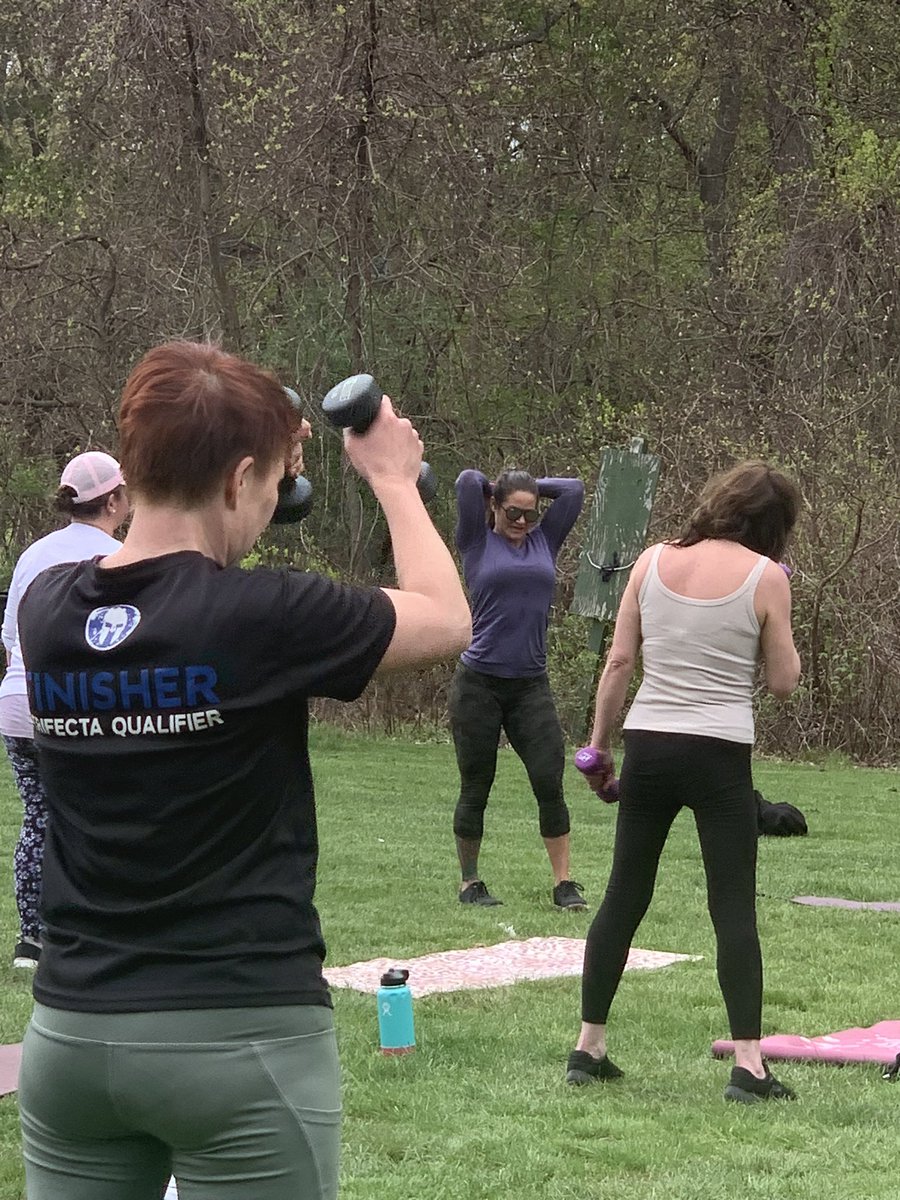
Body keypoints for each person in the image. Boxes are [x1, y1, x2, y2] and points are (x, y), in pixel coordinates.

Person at [15, 341, 471, 1200]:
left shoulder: (50, 611)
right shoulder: (264, 616)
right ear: (238, 480)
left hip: (73, 1038)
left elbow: (158, 590)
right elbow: (446, 619)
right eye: (268, 490)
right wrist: (393, 481)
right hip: (239, 1040)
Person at [565, 461, 802, 1103]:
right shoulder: (766, 578)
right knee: (731, 902)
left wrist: (597, 748)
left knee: (624, 892)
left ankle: (589, 1048)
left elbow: (618, 662)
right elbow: (783, 681)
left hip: (649, 743)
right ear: (774, 526)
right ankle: (748, 1066)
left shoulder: (650, 562)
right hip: (720, 751)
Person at [0, 451, 128, 969]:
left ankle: (32, 937)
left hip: (15, 702)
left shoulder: (35, 553)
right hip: (76, 704)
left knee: (40, 817)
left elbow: (10, 637)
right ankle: (92, 927)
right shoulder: (116, 554)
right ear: (116, 500)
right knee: (94, 816)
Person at [450, 467, 586, 909]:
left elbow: (575, 490)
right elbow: (467, 480)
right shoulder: (476, 540)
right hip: (479, 684)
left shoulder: (544, 541)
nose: (523, 522)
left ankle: (564, 884)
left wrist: (529, 490)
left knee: (550, 780)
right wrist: (499, 488)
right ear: (495, 506)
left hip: (531, 685)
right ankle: (470, 883)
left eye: (531, 513)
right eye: (513, 512)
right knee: (477, 785)